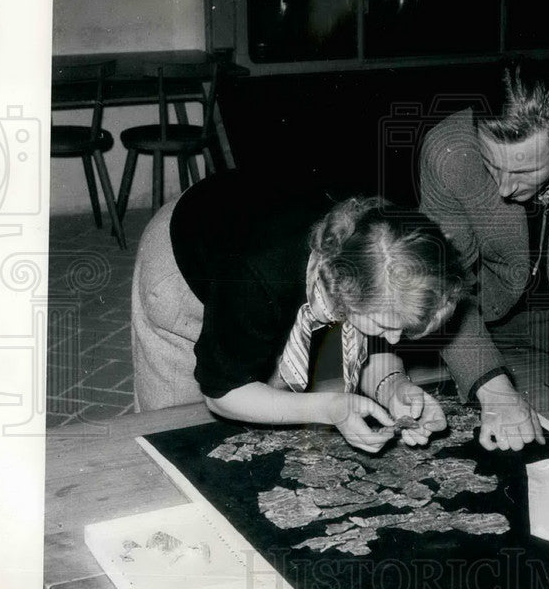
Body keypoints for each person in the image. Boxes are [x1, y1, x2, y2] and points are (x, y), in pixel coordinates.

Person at [131, 169, 466, 453]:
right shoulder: (257, 275)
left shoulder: (376, 247)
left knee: (271, 403)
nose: (396, 339)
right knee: (176, 432)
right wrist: (328, 408)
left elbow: (371, 337)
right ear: (343, 290)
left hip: (260, 231)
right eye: (386, 326)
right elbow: (221, 394)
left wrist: (394, 386)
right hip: (187, 256)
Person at [414, 61, 549, 448]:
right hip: (489, 324)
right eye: (492, 165)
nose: (505, 188)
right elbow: (442, 286)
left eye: (524, 172)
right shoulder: (448, 153)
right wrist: (492, 387)